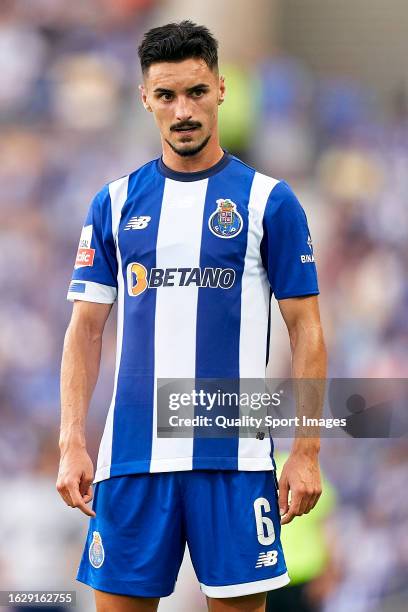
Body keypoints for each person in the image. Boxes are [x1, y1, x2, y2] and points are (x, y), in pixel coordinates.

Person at [56, 20, 327, 612]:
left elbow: (306, 327)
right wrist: (72, 439)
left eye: (196, 92)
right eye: (167, 95)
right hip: (131, 459)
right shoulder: (115, 202)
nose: (183, 110)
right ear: (145, 99)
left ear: (222, 90)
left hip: (234, 461)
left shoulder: (267, 202)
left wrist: (306, 449)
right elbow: (85, 330)